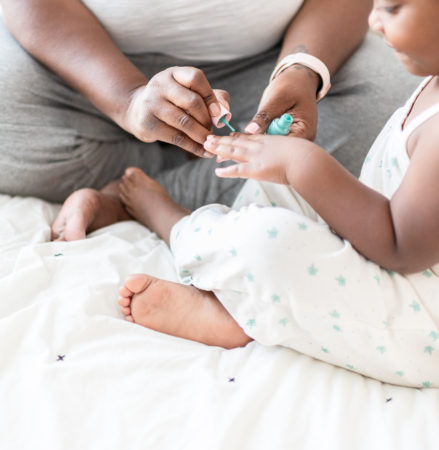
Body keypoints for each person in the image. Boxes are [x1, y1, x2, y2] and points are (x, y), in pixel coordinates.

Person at [117, 0, 439, 388]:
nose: (373, 19)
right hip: (382, 244)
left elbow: (401, 248)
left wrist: (303, 164)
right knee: (279, 182)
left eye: (391, 7)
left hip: (420, 318)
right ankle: (253, 303)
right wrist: (290, 164)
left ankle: (182, 235)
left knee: (269, 243)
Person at [0, 1, 419, 240]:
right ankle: (229, 168)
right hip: (83, 70)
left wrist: (302, 69)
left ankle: (131, 195)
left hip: (272, 62)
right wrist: (129, 100)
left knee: (393, 107)